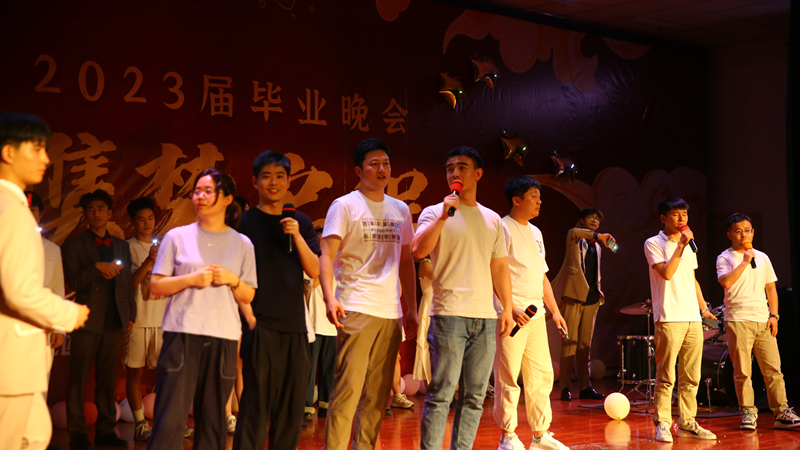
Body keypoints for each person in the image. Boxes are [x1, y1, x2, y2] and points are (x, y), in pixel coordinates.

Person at [146, 168, 257, 450]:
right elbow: (156, 285)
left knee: (213, 419)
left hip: (224, 335)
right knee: (170, 417)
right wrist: (190, 279)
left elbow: (248, 293)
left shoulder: (242, 243)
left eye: (208, 191)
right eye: (197, 191)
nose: (200, 196)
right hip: (182, 332)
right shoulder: (177, 236)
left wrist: (232, 279)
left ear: (227, 199)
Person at [413, 146, 515, 450]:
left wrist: (507, 308)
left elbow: (499, 267)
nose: (454, 173)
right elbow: (418, 250)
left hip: (484, 317)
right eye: (449, 169)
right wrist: (443, 217)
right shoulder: (434, 212)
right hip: (448, 315)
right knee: (441, 393)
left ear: (478, 174)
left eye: (461, 167)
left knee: (474, 396)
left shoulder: (493, 219)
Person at [321, 138, 417, 450]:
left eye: (386, 163)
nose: (382, 169)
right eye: (374, 164)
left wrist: (412, 308)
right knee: (348, 391)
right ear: (359, 170)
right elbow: (326, 255)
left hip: (390, 312)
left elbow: (406, 262)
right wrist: (329, 297)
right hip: (356, 307)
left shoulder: (400, 209)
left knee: (378, 396)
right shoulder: (345, 205)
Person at [0, 111, 88, 450]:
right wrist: (69, 313)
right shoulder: (12, 211)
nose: (46, 159)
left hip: (18, 353)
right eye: (36, 149)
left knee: (35, 435)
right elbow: (19, 291)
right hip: (10, 354)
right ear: (9, 152)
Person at [233, 150, 320, 450]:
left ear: (288, 181)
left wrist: (297, 236)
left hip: (296, 327)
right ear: (255, 181)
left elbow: (314, 270)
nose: (274, 182)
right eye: (267, 176)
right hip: (259, 326)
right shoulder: (244, 223)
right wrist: (247, 320)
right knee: (255, 406)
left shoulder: (300, 221)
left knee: (291, 409)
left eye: (280, 176)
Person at [493, 176, 570, 450]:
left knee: (541, 375)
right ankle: (507, 436)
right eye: (534, 196)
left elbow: (542, 276)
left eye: (539, 196)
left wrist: (555, 311)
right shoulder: (502, 228)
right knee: (508, 376)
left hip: (535, 316)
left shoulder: (536, 232)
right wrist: (510, 307)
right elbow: (494, 272)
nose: (539, 201)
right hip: (511, 316)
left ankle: (539, 435)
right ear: (517, 200)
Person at [62, 188, 135, 449]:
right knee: (78, 377)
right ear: (85, 215)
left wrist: (131, 314)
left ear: (110, 213)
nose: (96, 214)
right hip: (85, 319)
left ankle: (106, 431)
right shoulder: (73, 245)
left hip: (114, 319)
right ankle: (78, 434)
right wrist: (95, 268)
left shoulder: (122, 245)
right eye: (91, 210)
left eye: (101, 209)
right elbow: (73, 282)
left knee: (107, 377)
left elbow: (127, 283)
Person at [716, 213, 800, 430]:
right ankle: (748, 412)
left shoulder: (762, 257)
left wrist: (774, 315)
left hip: (763, 319)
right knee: (742, 371)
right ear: (730, 235)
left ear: (753, 232)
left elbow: (770, 288)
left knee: (773, 369)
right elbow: (726, 282)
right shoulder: (725, 257)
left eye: (747, 230)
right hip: (738, 320)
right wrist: (745, 261)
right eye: (738, 231)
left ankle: (781, 412)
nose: (744, 234)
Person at [644, 197, 717, 443]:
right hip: (669, 317)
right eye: (676, 214)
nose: (682, 218)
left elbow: (691, 279)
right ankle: (663, 423)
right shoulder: (653, 243)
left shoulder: (688, 246)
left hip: (692, 317)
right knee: (666, 376)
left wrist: (703, 308)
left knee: (691, 376)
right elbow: (666, 273)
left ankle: (687, 422)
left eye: (684, 214)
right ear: (663, 218)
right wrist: (680, 247)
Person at [558, 207, 613, 401]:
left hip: (592, 298)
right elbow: (574, 232)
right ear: (581, 220)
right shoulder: (574, 238)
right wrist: (599, 236)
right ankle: (565, 386)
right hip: (574, 295)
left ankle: (585, 386)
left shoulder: (597, 246)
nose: (595, 221)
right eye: (591, 217)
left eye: (597, 219)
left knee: (584, 345)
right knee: (569, 343)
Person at [304, 226, 337, 421]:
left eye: (323, 241)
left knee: (329, 369)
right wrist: (323, 262)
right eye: (317, 241)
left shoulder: (335, 264)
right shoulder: (308, 265)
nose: (321, 244)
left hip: (331, 325)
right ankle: (307, 407)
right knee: (309, 368)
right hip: (313, 324)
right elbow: (312, 285)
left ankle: (326, 404)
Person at [412, 258, 433, 385]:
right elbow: (441, 279)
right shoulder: (426, 264)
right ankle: (431, 388)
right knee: (427, 348)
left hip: (444, 309)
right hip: (428, 309)